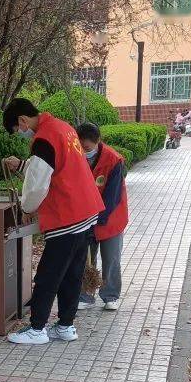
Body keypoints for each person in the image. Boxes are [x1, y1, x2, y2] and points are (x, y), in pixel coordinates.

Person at [1, 98, 104, 345]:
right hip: (86, 211)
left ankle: (37, 329)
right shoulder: (63, 127)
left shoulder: (44, 137)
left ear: (22, 120)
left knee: (49, 274)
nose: (21, 134)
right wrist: (24, 165)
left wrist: (26, 207)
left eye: (17, 130)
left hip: (67, 215)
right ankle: (66, 326)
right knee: (72, 273)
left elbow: (37, 185)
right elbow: (57, 167)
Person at [75, 123, 127, 312]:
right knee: (85, 258)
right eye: (80, 146)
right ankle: (85, 294)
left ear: (97, 142)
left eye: (87, 148)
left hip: (111, 218)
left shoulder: (114, 160)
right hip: (84, 216)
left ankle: (110, 295)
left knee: (111, 257)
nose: (83, 151)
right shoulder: (76, 156)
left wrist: (96, 220)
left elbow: (112, 197)